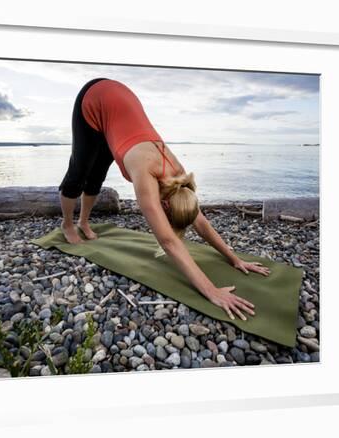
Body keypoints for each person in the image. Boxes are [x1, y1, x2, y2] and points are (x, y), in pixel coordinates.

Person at [58, 77, 270, 321]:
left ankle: (85, 222)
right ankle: (68, 224)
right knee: (79, 172)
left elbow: (200, 222)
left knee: (98, 175)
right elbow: (168, 242)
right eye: (171, 220)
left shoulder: (181, 181)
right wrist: (211, 291)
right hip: (94, 97)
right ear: (165, 205)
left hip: (119, 102)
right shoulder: (145, 173)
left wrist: (234, 259)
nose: (172, 226)